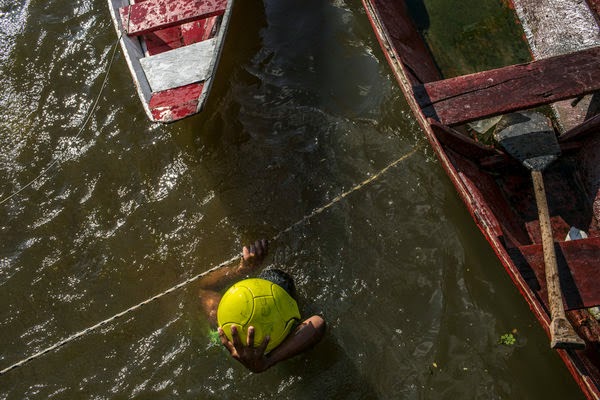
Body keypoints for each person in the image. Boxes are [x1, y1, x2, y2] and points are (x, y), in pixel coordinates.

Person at [198, 239, 326, 373]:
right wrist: (268, 361)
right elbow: (318, 323)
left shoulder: (218, 321)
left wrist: (239, 271)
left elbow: (203, 289)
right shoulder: (288, 337)